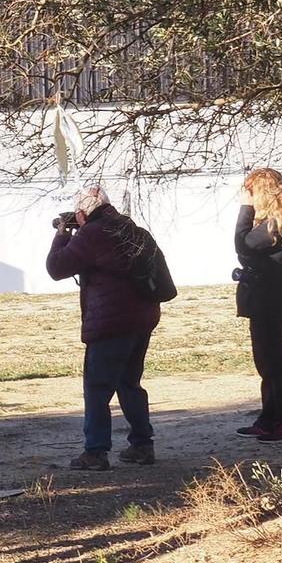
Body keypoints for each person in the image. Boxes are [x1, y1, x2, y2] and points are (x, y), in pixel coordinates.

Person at [45, 184, 161, 471]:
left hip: (109, 322)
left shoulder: (91, 235)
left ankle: (95, 451)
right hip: (141, 318)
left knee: (97, 388)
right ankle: (142, 445)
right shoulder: (133, 231)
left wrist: (62, 234)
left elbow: (57, 268)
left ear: (82, 212)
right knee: (129, 383)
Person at [234, 168, 282, 442]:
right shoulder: (281, 221)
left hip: (270, 301)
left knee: (276, 363)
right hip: (272, 300)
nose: (249, 197)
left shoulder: (275, 224)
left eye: (252, 192)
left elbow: (243, 245)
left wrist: (245, 209)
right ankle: (271, 418)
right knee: (269, 362)